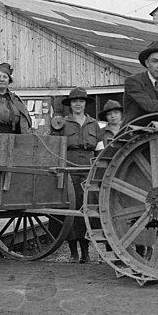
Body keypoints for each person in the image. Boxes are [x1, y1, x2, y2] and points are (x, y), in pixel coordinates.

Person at [51, 87, 103, 263]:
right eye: (75, 101)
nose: (78, 104)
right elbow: (54, 147)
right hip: (69, 169)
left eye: (81, 101)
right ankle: (73, 253)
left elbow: (100, 150)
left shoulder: (94, 124)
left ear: (85, 104)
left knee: (87, 209)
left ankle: (86, 253)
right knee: (71, 210)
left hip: (88, 170)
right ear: (70, 105)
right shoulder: (62, 123)